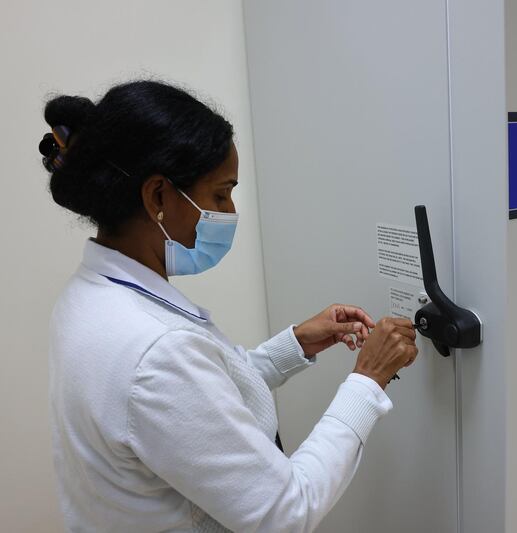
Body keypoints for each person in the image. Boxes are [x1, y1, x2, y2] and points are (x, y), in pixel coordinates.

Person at [42, 80, 419, 532]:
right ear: (158, 196)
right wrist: (368, 379)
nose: (230, 211)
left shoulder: (89, 297)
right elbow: (287, 512)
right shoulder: (155, 350)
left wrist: (295, 344)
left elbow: (198, 407)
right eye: (220, 194)